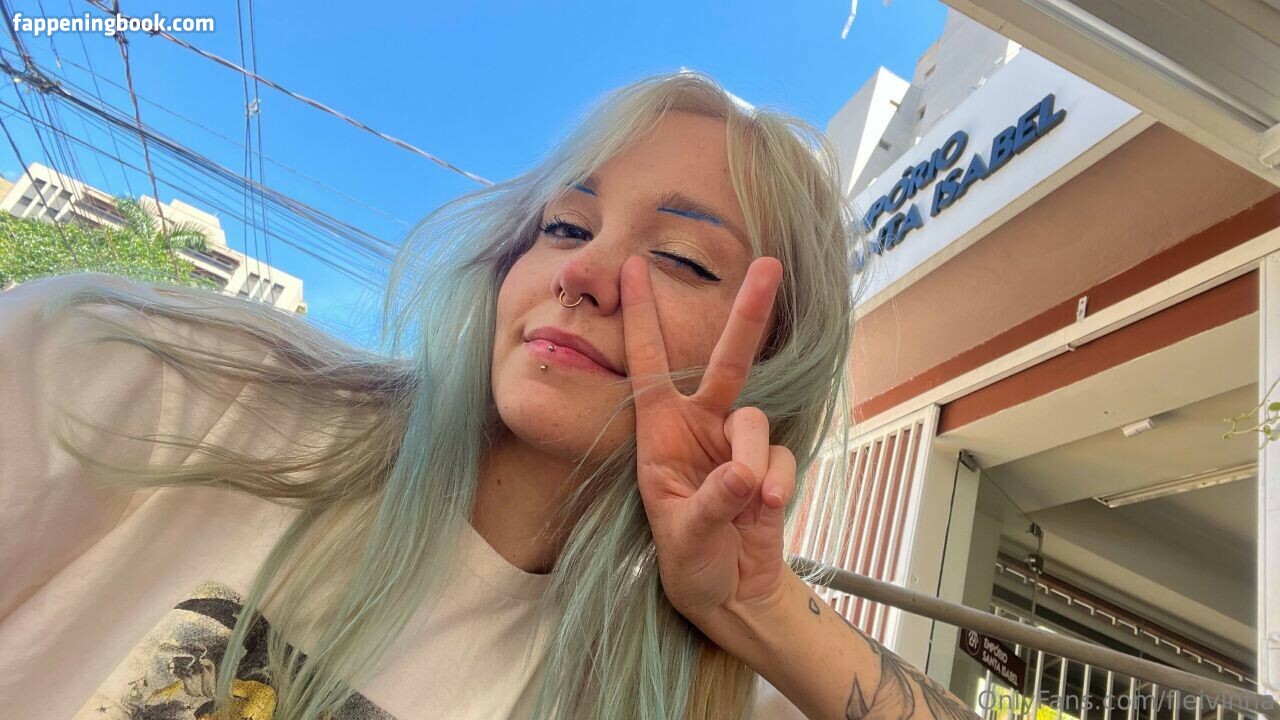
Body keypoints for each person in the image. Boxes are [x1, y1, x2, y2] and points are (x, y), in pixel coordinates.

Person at [0, 69, 978, 719]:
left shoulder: (693, 690)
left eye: (680, 258)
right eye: (565, 226)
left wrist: (761, 607)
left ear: (772, 362)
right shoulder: (154, 384)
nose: (584, 272)